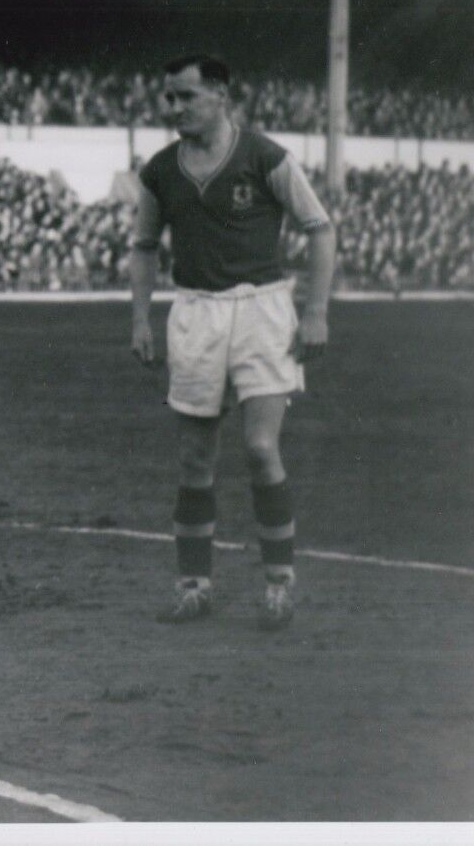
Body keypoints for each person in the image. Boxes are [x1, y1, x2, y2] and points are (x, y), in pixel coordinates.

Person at [130, 55, 336, 631]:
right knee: (195, 459)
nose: (172, 108)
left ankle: (278, 584)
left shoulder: (264, 156)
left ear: (219, 94)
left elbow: (320, 228)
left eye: (185, 96)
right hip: (195, 312)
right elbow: (144, 246)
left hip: (262, 309)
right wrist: (141, 319)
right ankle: (194, 585)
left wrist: (315, 311)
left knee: (261, 449)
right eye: (168, 97)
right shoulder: (159, 172)